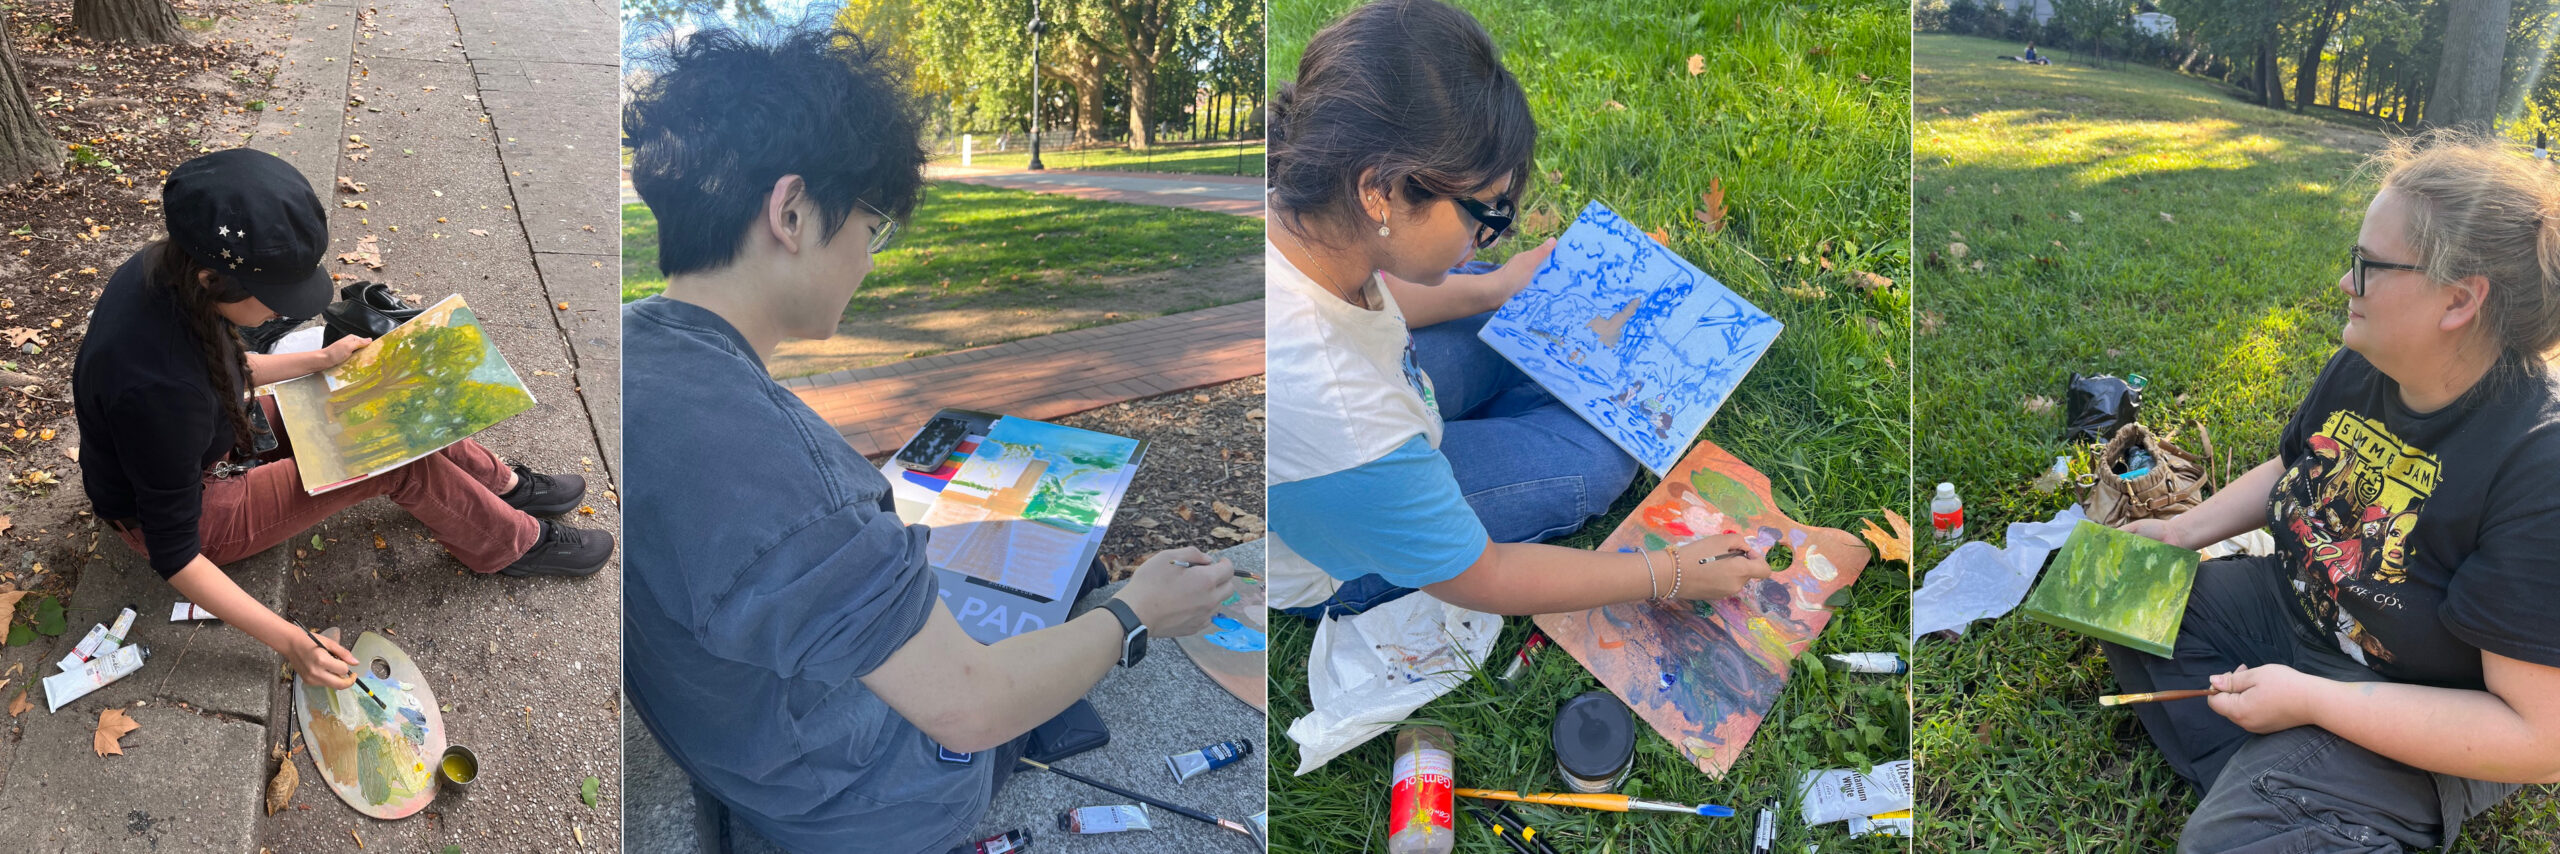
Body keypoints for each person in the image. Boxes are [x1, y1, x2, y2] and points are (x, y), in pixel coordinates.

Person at [618, 19, 1235, 853]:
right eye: (872, 228)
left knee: (1035, 563)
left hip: (749, 743)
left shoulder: (630, 345)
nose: (870, 260)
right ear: (792, 212)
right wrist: (1137, 618)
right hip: (875, 801)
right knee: (1075, 588)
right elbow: (968, 705)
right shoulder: (785, 478)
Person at [2108, 131, 2560, 851]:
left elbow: (2539, 738)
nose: (2344, 284)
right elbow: (2296, 465)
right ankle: (2284, 790)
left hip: (2423, 701)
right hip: (2295, 614)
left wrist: (2317, 702)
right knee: (2124, 599)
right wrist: (2182, 533)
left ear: (2458, 301)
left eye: (2366, 265)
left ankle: (2301, 795)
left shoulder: (2539, 463)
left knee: (2220, 845)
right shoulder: (2365, 365)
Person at [1264, 0, 1773, 621]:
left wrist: (1492, 288)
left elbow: (1385, 294)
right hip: (1331, 558)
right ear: (1382, 192)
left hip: (1352, 458)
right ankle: (1510, 417)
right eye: (1488, 214)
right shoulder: (1346, 414)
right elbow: (1487, 576)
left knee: (1502, 303)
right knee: (1600, 450)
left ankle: (1502, 396)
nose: (1497, 233)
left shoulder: (1303, 217)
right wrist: (1666, 572)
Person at [72, 148, 612, 691]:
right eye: (275, 298)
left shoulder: (167, 273)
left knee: (378, 399)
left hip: (205, 434)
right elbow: (176, 553)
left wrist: (320, 362)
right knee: (389, 461)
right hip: (189, 513)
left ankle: (503, 486)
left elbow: (228, 369)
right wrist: (292, 642)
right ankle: (510, 544)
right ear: (213, 279)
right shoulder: (161, 392)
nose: (284, 312)